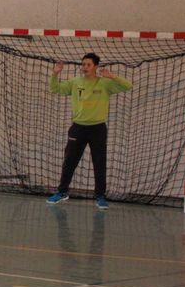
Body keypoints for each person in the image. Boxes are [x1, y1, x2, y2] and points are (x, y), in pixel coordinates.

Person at [47, 53, 132, 210]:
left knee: (99, 163)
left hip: (98, 129)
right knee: (69, 161)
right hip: (78, 128)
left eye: (88, 64)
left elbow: (128, 86)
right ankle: (62, 192)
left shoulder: (105, 83)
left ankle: (100, 196)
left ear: (95, 66)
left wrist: (112, 76)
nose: (85, 67)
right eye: (83, 64)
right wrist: (55, 73)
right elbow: (55, 88)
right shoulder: (75, 82)